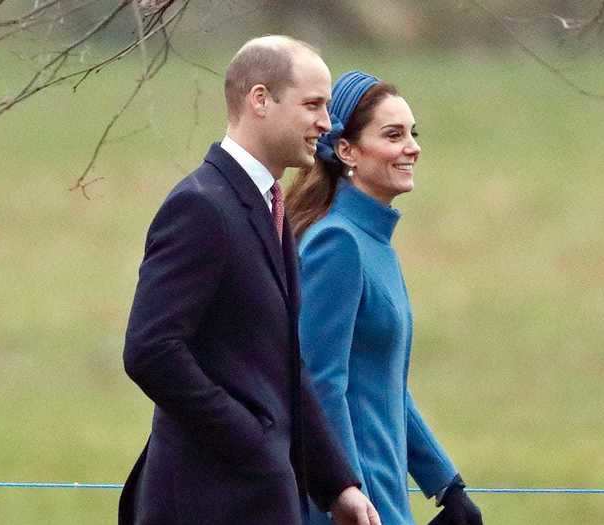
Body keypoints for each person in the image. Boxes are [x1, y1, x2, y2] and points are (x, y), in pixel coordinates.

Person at [119, 38, 381, 525]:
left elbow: (282, 363)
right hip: (204, 504)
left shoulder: (269, 208)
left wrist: (336, 484)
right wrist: (252, 440)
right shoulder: (201, 207)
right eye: (313, 105)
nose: (328, 122)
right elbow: (150, 350)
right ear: (260, 100)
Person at [285, 71, 484, 525]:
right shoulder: (337, 243)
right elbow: (319, 382)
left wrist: (444, 483)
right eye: (393, 135)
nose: (412, 146)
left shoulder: (372, 240)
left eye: (412, 133)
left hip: (381, 493)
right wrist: (346, 490)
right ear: (347, 151)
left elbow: (384, 382)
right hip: (354, 503)